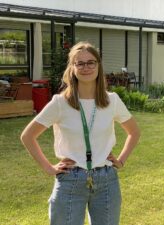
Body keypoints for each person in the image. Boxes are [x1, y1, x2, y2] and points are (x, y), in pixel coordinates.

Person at [20, 41, 140, 225]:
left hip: (106, 180)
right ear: (72, 68)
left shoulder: (112, 100)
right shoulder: (60, 103)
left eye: (91, 62)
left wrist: (121, 160)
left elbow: (134, 132)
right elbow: (27, 136)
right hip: (70, 181)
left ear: (98, 66)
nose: (86, 67)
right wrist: (49, 168)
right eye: (80, 63)